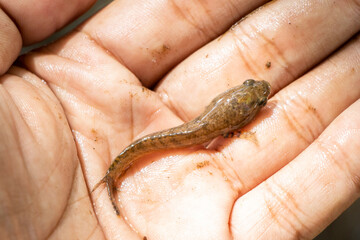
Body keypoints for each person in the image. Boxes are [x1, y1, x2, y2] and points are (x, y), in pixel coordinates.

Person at [0, 0, 359, 239]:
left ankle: (115, 173)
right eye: (254, 92)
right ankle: (113, 174)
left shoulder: (231, 109)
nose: (261, 94)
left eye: (258, 97)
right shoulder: (237, 112)